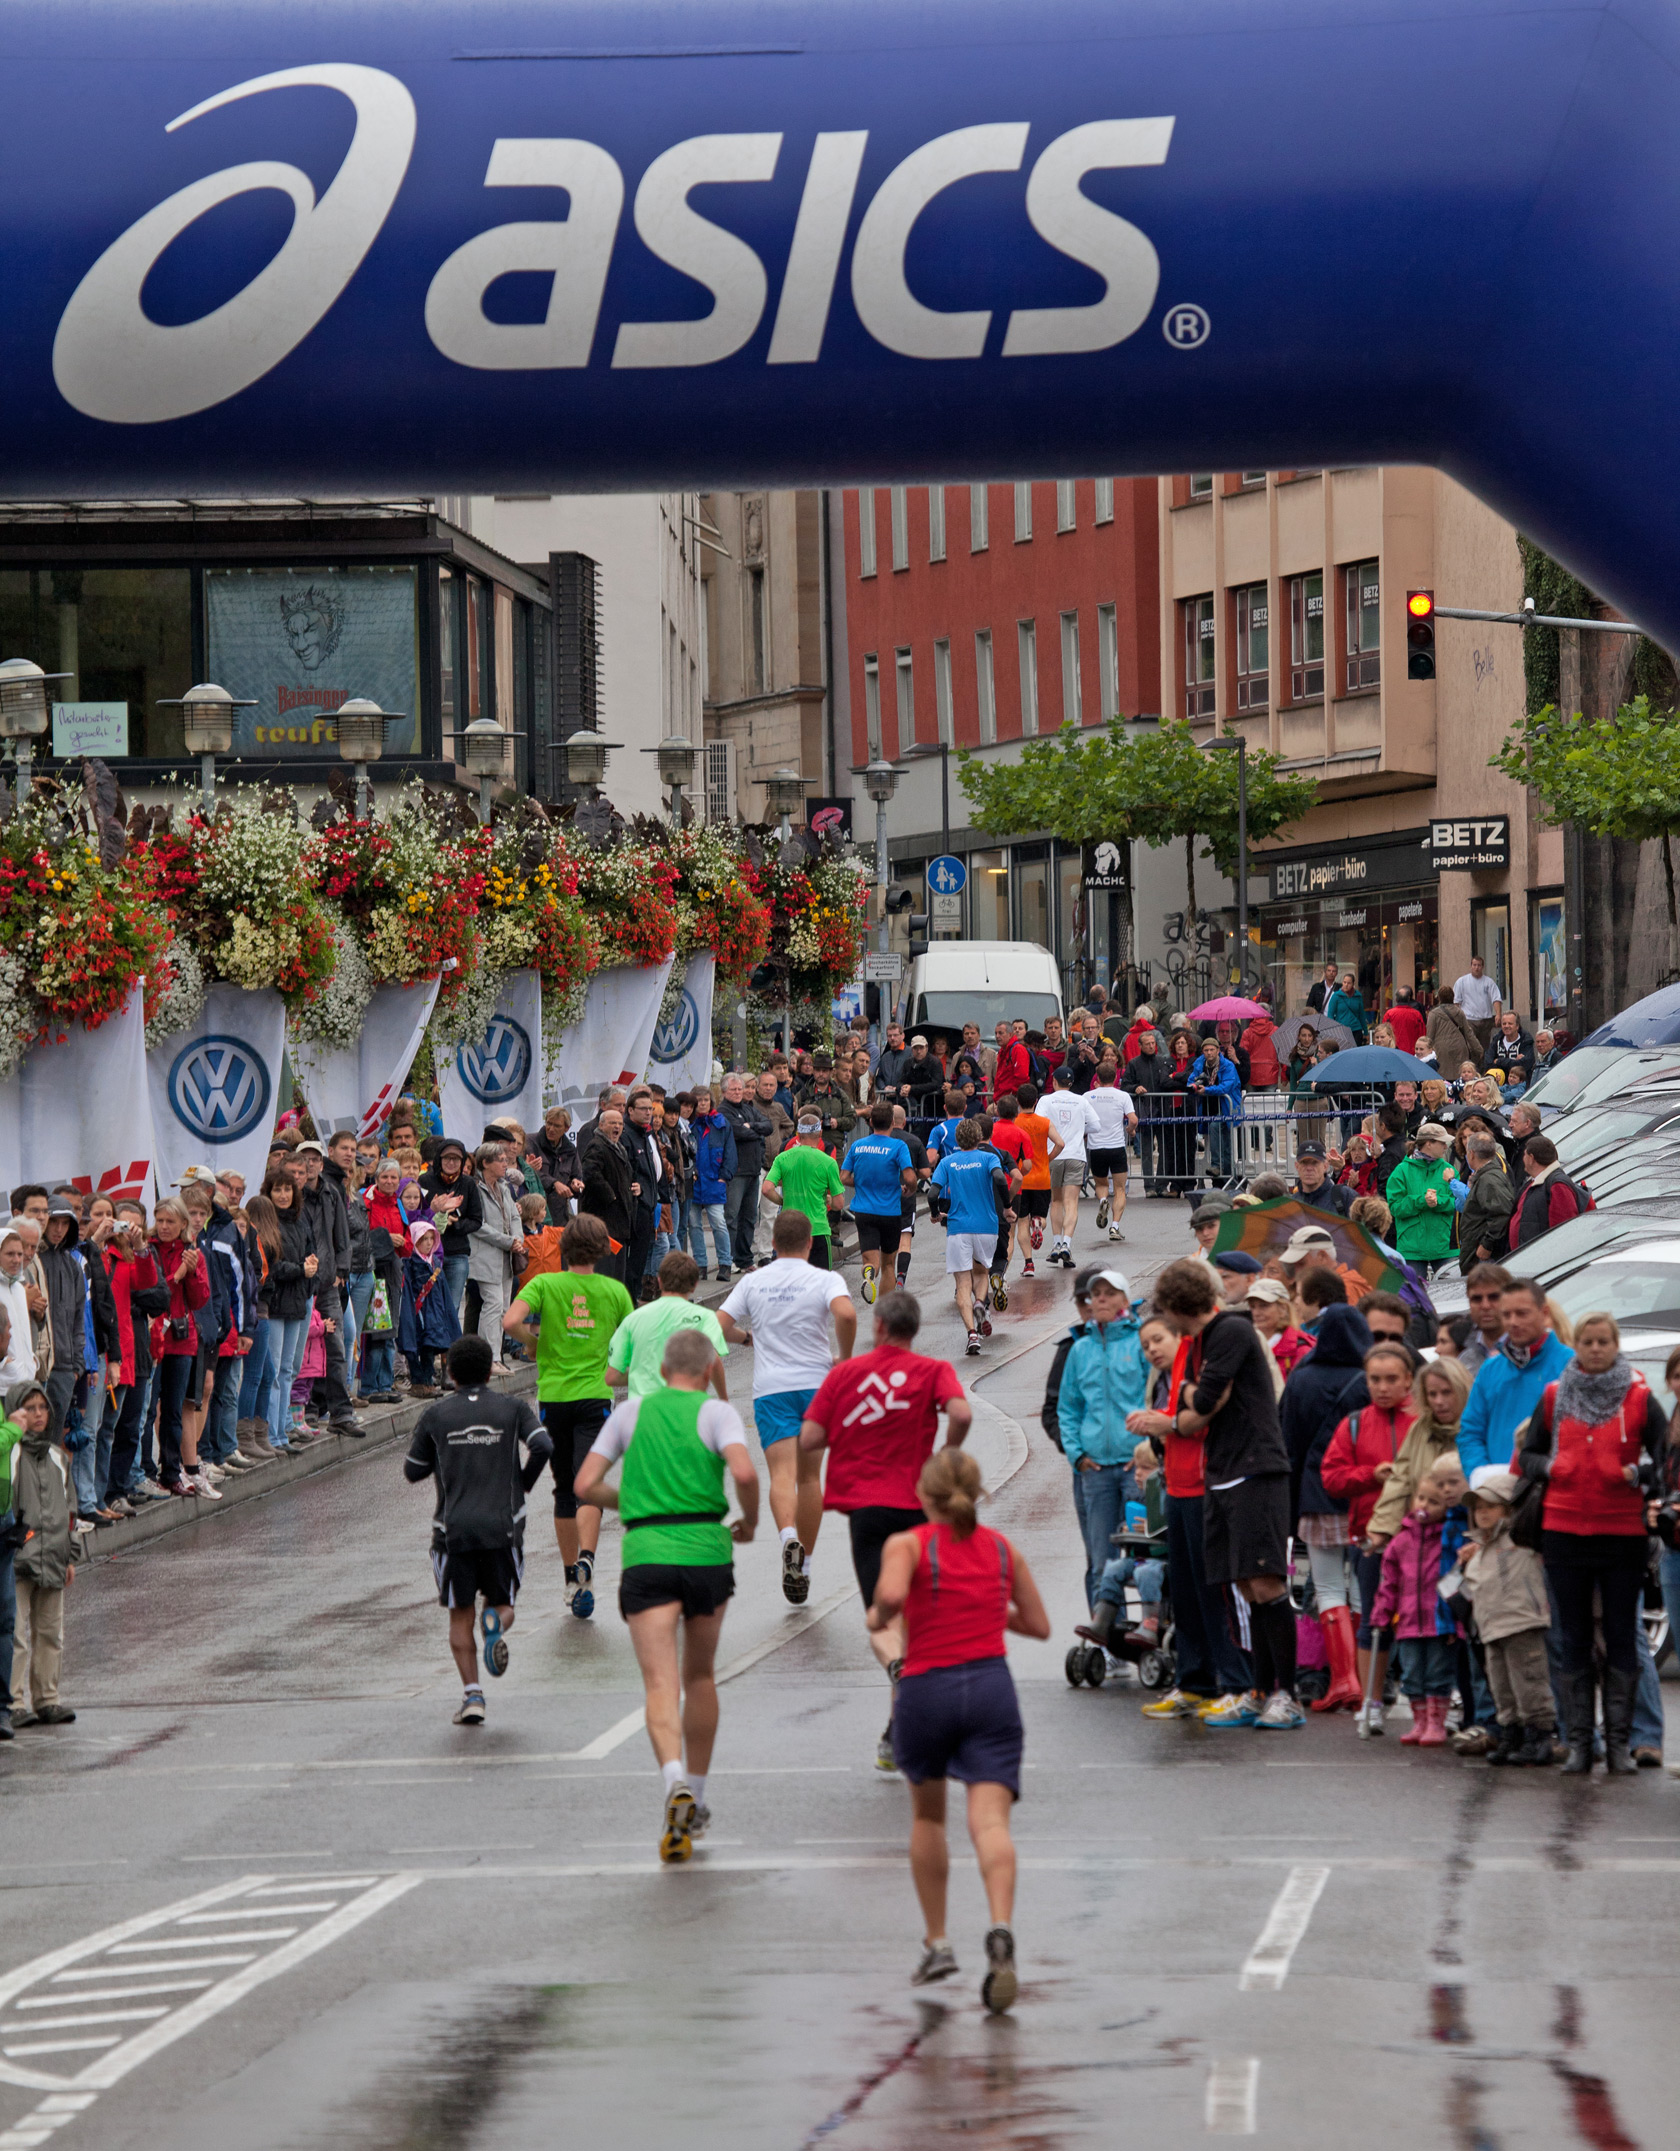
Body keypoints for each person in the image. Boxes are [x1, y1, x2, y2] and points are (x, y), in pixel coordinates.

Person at [869, 1447, 1049, 2012]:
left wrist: (879, 1616)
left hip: (929, 1690)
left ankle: (938, 1941)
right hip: (991, 1689)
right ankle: (1000, 1927)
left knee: (928, 1817)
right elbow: (1039, 1625)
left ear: (923, 1496)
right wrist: (992, 1610)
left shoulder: (908, 1545)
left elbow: (889, 1598)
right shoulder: (1002, 1550)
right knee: (990, 1822)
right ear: (976, 1493)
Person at [575, 1328, 760, 1861]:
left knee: (660, 1683)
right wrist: (748, 1520)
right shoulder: (717, 1414)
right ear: (708, 1371)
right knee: (699, 1676)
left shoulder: (630, 1413)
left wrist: (633, 1501)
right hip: (706, 1549)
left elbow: (585, 1485)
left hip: (647, 1552)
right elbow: (744, 1472)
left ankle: (673, 1779)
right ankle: (695, 1796)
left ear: (660, 1372)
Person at [800, 1290, 973, 1771]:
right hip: (918, 1507)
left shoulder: (846, 1374)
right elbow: (961, 1413)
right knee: (914, 1617)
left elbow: (810, 1437)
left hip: (867, 1510)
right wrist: (945, 1455)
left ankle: (899, 1696)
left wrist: (846, 1428)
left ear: (878, 1326)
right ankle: (899, 1729)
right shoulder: (933, 1370)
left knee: (882, 1618)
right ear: (914, 1330)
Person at [1137, 1259, 1301, 1727]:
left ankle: (1285, 1696)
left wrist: (1190, 1390)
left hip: (1255, 1469)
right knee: (1245, 1583)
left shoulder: (1230, 1330)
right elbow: (1203, 1398)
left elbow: (1207, 1400)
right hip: (1223, 1472)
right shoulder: (1204, 1341)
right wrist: (1195, 1392)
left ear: (1176, 1306)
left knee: (1266, 1583)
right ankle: (1257, 1692)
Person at [1517, 1312, 1668, 1774]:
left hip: (1622, 1535)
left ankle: (1620, 1746)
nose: (1596, 1349)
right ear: (1577, 1346)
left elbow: (1665, 1462)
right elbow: (1528, 1454)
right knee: (1573, 1636)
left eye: (1604, 1341)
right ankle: (1581, 1744)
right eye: (1588, 1342)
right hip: (1563, 1531)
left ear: (1615, 1345)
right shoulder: (1554, 1395)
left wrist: (1637, 1474)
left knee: (1621, 1636)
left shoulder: (1640, 1398)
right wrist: (1549, 1468)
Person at [403, 1333, 552, 1728]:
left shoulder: (436, 1415)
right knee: (503, 1604)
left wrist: (445, 1456)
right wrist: (522, 1484)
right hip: (504, 1527)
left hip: (452, 1532)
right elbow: (543, 1446)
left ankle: (472, 1696)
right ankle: (496, 1625)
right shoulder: (513, 1408)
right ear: (490, 1372)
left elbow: (413, 1471)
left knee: (459, 1614)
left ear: (450, 1372)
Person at [718, 1208, 856, 1603]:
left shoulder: (753, 1281)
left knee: (781, 1474)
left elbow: (718, 1326)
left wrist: (746, 1338)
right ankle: (804, 1565)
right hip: (816, 1387)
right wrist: (844, 1358)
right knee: (810, 1478)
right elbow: (847, 1314)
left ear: (774, 1243)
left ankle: (788, 1538)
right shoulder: (824, 1279)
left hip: (772, 1389)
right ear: (810, 1243)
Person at [502, 1211, 634, 1621]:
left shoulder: (545, 1284)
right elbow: (630, 1344)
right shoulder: (615, 1291)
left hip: (554, 1397)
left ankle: (569, 1577)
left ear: (563, 1248)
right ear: (600, 1249)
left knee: (563, 1489)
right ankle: (587, 1559)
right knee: (588, 1484)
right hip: (596, 1397)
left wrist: (533, 1343)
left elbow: (510, 1321)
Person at [1316, 1342, 1418, 1721]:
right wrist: (1370, 1475)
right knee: (1375, 1620)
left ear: (1408, 1380)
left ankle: (1427, 1702)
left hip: (1421, 1537)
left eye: (1391, 1379)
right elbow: (1332, 1477)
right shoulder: (1355, 1423)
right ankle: (1370, 1702)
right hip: (1370, 1537)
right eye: (1375, 1379)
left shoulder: (1423, 1422)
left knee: (1424, 1621)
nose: (1383, 1387)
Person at [1056, 1269, 1149, 1610]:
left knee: (1150, 1556)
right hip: (1095, 1471)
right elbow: (1068, 1408)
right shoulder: (1080, 1349)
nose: (1102, 1299)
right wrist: (1077, 1456)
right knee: (1101, 1562)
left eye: (1110, 1293)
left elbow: (1156, 1397)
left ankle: (1153, 1626)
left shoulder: (1141, 1342)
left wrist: (1149, 1450)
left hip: (1137, 1468)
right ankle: (1110, 1634)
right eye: (1096, 1295)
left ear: (1125, 1299)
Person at [1459, 1470, 1557, 1766]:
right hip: (1491, 1629)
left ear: (1508, 1508)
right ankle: (1511, 1734)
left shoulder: (1520, 1537)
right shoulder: (1479, 1548)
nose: (1482, 1512)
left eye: (1491, 1506)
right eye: (1478, 1507)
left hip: (1521, 1623)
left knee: (1530, 1684)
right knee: (1501, 1687)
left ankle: (1539, 1737)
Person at [1370, 1455, 1469, 1745]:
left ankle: (1436, 1723)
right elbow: (1389, 1582)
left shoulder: (1449, 1538)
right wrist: (1382, 1613)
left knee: (1438, 1673)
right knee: (1412, 1674)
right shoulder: (1401, 1542)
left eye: (1434, 1502)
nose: (1424, 1506)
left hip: (1441, 1622)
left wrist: (1457, 1621)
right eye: (1421, 1498)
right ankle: (1420, 1722)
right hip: (1409, 1621)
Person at [6, 1379, 75, 1727]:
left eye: (42, 1408)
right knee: (16, 1634)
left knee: (50, 1631)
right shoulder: (12, 1455)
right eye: (29, 1408)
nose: (38, 1414)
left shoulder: (57, 1457)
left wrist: (70, 1554)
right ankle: (13, 1701)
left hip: (53, 1555)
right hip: (18, 1557)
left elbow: (70, 1510)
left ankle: (47, 1698)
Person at [1458, 1278, 1573, 1480]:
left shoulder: (1570, 1366)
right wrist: (1480, 1474)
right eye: (1506, 1315)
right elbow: (1470, 1432)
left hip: (1549, 1485)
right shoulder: (1490, 1369)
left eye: (1522, 1313)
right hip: (1495, 1488)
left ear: (1544, 1313)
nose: (1513, 1322)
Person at [929, 1121, 1016, 1355]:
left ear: (957, 1140)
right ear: (978, 1137)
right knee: (981, 1273)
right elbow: (1000, 1179)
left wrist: (936, 1214)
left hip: (959, 1228)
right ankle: (980, 1302)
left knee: (962, 1284)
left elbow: (933, 1192)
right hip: (987, 1226)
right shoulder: (989, 1158)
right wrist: (1007, 1208)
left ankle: (972, 1335)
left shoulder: (948, 1162)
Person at [608, 1248, 729, 1397]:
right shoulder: (705, 1317)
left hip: (642, 1406)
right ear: (694, 1285)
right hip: (685, 1405)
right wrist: (724, 1400)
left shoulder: (633, 1319)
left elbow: (611, 1376)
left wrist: (641, 1375)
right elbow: (714, 1360)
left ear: (659, 1281)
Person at [842, 1101, 919, 1305]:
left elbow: (844, 1177)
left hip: (863, 1212)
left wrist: (862, 1183)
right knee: (888, 1265)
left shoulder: (858, 1145)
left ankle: (869, 1272)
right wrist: (909, 1189)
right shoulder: (898, 1146)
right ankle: (884, 1311)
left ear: (870, 1122)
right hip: (890, 1212)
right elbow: (909, 1177)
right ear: (893, 1122)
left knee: (871, 1260)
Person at [763, 1114, 845, 1268]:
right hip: (817, 1230)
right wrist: (829, 1201)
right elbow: (839, 1204)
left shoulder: (782, 1158)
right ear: (820, 1133)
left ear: (798, 1135)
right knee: (820, 1281)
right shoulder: (828, 1162)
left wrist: (783, 1201)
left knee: (791, 1279)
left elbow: (767, 1188)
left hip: (790, 1229)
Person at [716, 1074, 772, 1278]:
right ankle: (728, 1258)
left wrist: (753, 1127)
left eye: (740, 1089)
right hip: (736, 1172)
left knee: (749, 1217)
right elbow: (737, 1132)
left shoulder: (749, 1109)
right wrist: (756, 1131)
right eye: (734, 1089)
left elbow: (768, 1126)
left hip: (753, 1170)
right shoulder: (723, 1111)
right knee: (731, 1217)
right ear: (724, 1092)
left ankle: (745, 1259)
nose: (738, 1092)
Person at [1385, 1121, 1458, 1273]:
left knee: (1452, 1289)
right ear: (1428, 1144)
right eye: (1442, 1143)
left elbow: (1459, 1203)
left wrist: (1438, 1202)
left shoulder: (1449, 1170)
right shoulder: (1402, 1171)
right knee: (1415, 1289)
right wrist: (1422, 1201)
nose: (1446, 1147)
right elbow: (1395, 1207)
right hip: (1412, 1249)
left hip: (1444, 1247)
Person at [1006, 1084, 1060, 1279]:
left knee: (1021, 1223)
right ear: (1036, 1101)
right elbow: (1060, 1143)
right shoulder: (1044, 1122)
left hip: (1021, 1178)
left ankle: (1029, 1264)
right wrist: (1048, 1158)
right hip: (1042, 1178)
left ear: (1018, 1102)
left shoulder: (1015, 1123)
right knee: (1040, 1216)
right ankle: (1038, 1223)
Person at [581, 1106, 638, 1284]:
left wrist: (635, 1188)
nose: (617, 1127)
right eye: (612, 1123)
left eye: (620, 1123)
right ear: (601, 1125)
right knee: (606, 1268)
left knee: (618, 1269)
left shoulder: (618, 1147)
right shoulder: (597, 1145)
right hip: (605, 1218)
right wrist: (611, 1196)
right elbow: (591, 1174)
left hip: (619, 1219)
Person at [1039, 1066, 1088, 1267]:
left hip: (1054, 1154)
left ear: (1054, 1082)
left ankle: (1056, 1244)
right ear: (1071, 1083)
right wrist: (1079, 1130)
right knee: (1071, 1203)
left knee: (1056, 1201)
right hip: (1075, 1154)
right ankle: (1067, 1244)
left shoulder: (1046, 1100)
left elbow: (1040, 1124)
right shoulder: (1081, 1100)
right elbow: (1096, 1125)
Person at [1082, 1065, 1137, 1242]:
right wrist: (1130, 1130)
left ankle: (1102, 1201)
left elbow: (1081, 1119)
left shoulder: (1088, 1096)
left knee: (1101, 1184)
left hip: (1096, 1147)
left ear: (1097, 1077)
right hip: (1116, 1146)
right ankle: (1115, 1226)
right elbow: (1133, 1119)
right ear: (1115, 1078)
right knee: (1120, 1188)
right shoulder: (1123, 1096)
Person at [1508, 1134, 1591, 1251]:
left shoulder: (1558, 1185)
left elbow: (1562, 1231)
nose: (1523, 1159)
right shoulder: (1536, 1181)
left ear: (1531, 1158)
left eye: (1524, 1155)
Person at [687, 1093, 736, 1280]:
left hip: (714, 1181)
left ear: (711, 1102)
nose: (702, 1103)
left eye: (705, 1100)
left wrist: (724, 1177)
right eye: (698, 1100)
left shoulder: (721, 1124)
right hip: (693, 1183)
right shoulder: (689, 1125)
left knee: (718, 1223)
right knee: (694, 1225)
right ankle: (700, 1265)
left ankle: (725, 1263)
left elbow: (730, 1153)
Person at [1458, 1135, 1515, 1272]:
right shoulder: (1486, 1176)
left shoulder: (1489, 1180)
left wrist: (1487, 1245)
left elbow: (1501, 1214)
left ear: (1471, 1154)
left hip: (1482, 1257)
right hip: (1476, 1252)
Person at [1245, 1276, 1314, 1384]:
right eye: (1252, 1307)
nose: (1256, 1313)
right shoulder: (1244, 1344)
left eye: (1264, 1306)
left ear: (1283, 1309)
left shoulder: (1301, 1349)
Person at [1453, 955, 1502, 1064]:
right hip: (1469, 1020)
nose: (1476, 968)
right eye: (1474, 965)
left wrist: (1498, 1014)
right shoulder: (1462, 981)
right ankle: (1471, 1067)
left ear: (1482, 967)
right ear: (1471, 966)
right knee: (1471, 1047)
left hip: (1485, 1020)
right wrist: (1458, 1019)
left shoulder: (1488, 982)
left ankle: (1482, 1068)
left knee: (1484, 1047)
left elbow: (1496, 998)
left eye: (1479, 965)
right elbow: (1456, 1002)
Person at [1425, 987, 1480, 1076]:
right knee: (1460, 1075)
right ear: (1453, 997)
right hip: (1460, 1048)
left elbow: (1429, 1036)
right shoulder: (1459, 1012)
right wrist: (1478, 1049)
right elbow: (1468, 1033)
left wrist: (1426, 1051)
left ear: (1439, 998)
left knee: (1443, 1077)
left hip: (1441, 1050)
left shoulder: (1434, 1014)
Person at [1290, 1140, 1350, 1218]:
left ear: (1325, 1166)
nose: (1309, 1168)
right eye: (1304, 1162)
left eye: (1314, 1163)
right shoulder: (1290, 1206)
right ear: (1297, 1166)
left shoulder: (1345, 1196)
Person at [1325, 971, 1368, 1044]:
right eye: (1344, 982)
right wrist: (1332, 1030)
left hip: (1356, 1029)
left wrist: (1365, 1031)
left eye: (1349, 983)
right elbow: (1330, 1014)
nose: (1346, 985)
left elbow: (1361, 1015)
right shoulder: (1336, 996)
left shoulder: (1358, 996)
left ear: (1353, 984)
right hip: (1341, 1029)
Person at [1383, 988, 1427, 1057]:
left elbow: (1383, 1033)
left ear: (1396, 999)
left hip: (1393, 1052)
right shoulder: (1416, 1015)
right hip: (1412, 1054)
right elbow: (1422, 1034)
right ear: (1409, 999)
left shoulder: (1389, 1014)